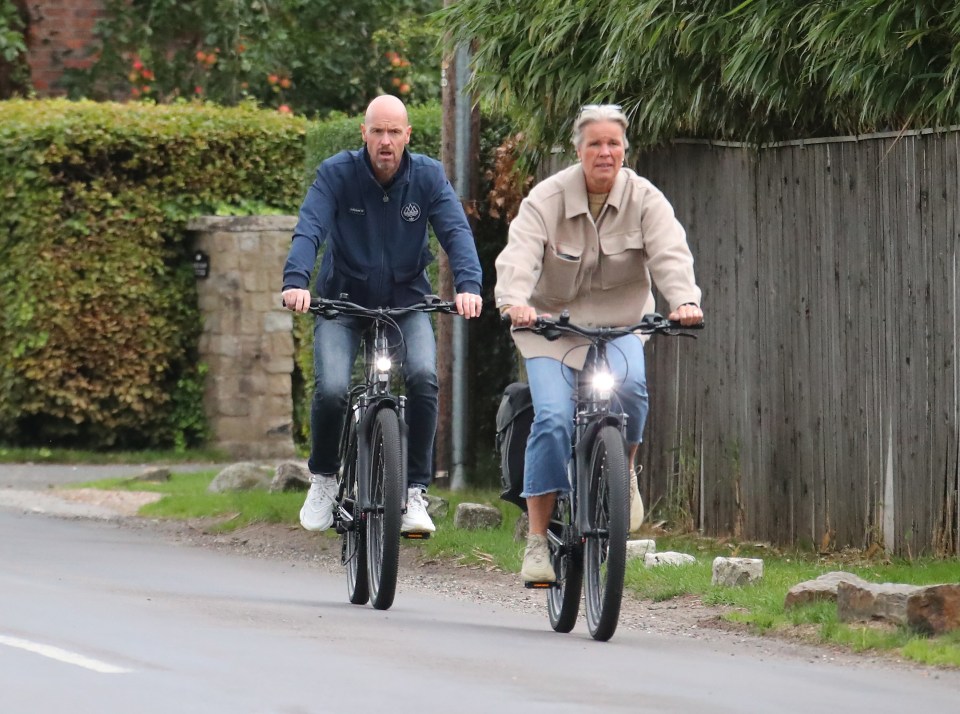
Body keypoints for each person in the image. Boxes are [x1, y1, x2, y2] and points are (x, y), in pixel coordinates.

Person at [495, 104, 704, 583]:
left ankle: (623, 472)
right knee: (550, 417)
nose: (604, 152)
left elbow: (670, 252)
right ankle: (536, 541)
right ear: (579, 149)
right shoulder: (546, 199)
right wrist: (514, 301)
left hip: (619, 326)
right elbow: (519, 256)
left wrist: (685, 300)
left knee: (630, 392)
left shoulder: (645, 198)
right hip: (550, 329)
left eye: (613, 144)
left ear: (625, 150)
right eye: (595, 143)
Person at [282, 94, 483, 535]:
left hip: (406, 301)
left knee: (424, 376)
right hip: (343, 301)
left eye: (395, 132)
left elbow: (456, 232)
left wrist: (469, 286)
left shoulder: (427, 176)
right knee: (333, 387)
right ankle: (324, 479)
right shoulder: (336, 174)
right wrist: (296, 281)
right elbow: (310, 227)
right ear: (364, 134)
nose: (386, 141)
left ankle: (414, 493)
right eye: (378, 131)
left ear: (408, 135)